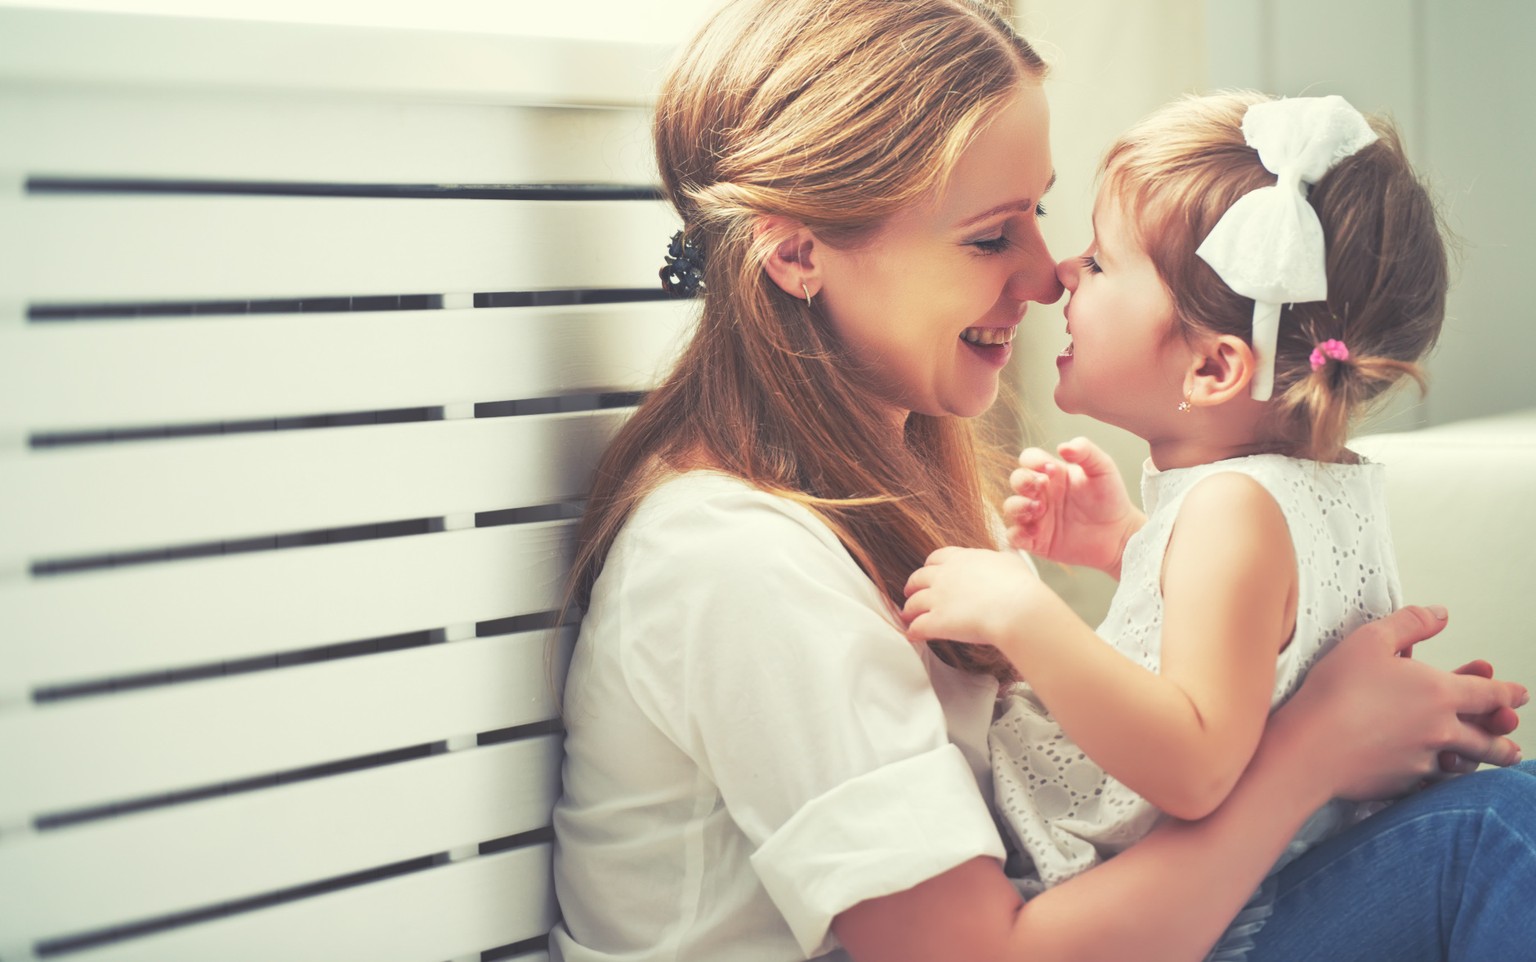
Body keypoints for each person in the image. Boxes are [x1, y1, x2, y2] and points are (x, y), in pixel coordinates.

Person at [550, 2, 1533, 961]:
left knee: (1489, 822)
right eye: (989, 235)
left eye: (1041, 214)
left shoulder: (901, 491)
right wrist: (1314, 749)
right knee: (1493, 831)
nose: (1046, 274)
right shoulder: (742, 563)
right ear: (799, 251)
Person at [900, 90, 1470, 955]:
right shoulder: (1309, 489)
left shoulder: (1230, 512)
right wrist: (1129, 543)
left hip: (1205, 917)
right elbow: (1262, 657)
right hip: (1256, 880)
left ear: (1212, 367)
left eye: (1099, 263)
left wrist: (1025, 617)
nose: (1061, 274)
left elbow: (1198, 765)